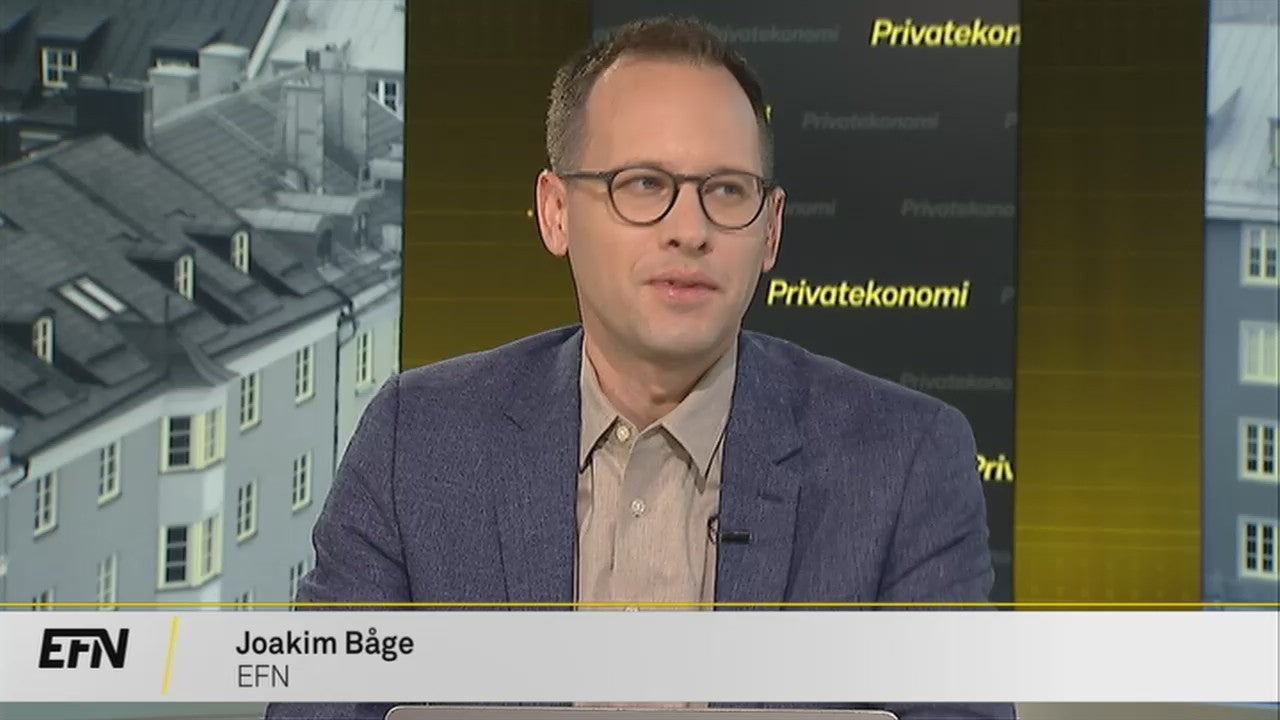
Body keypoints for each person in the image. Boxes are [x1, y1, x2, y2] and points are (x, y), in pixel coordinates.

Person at [266, 16, 1014, 720]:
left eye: (727, 191)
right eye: (644, 184)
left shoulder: (906, 464)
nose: (689, 229)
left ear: (771, 230)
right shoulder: (418, 442)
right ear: (556, 212)